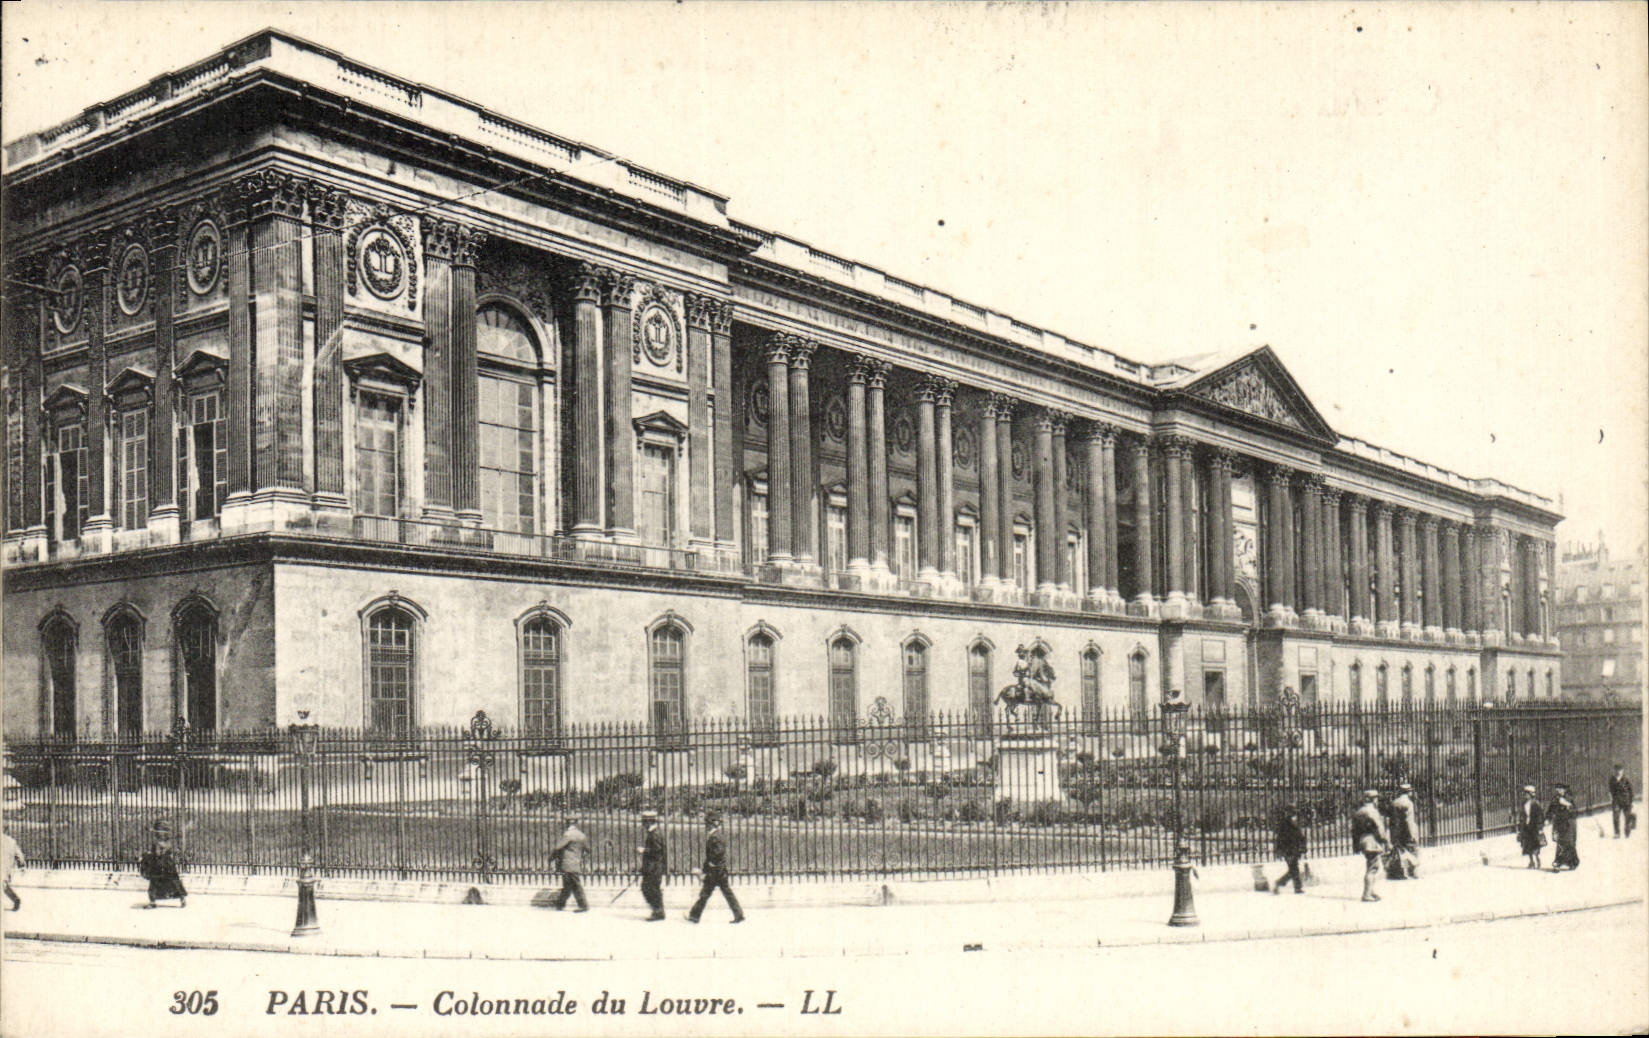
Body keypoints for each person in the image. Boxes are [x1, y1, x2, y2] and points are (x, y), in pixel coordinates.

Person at [686, 811, 743, 924]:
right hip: (719, 871)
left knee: (706, 894)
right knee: (723, 893)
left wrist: (710, 865)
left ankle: (694, 916)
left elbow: (718, 853)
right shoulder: (715, 836)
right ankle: (739, 915)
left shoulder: (715, 837)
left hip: (716, 872)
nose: (706, 826)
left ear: (711, 824)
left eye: (707, 824)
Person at [1350, 789, 1389, 903]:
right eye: (1376, 798)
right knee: (1373, 868)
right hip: (1371, 841)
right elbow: (1379, 828)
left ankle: (1370, 891)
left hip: (1362, 840)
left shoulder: (1359, 812)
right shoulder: (1372, 811)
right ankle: (1367, 894)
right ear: (1374, 799)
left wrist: (1356, 845)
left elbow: (1354, 830)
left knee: (1371, 866)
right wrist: (1386, 841)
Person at [549, 815, 590, 912]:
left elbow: (557, 848)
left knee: (575, 885)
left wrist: (551, 858)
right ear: (576, 823)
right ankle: (560, 904)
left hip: (567, 864)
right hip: (576, 863)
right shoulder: (582, 835)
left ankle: (583, 906)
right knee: (568, 885)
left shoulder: (568, 835)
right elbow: (587, 850)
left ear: (567, 823)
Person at [138, 836, 188, 908]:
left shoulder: (165, 851)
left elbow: (171, 864)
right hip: (158, 872)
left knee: (175, 885)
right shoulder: (155, 851)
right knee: (153, 886)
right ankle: (152, 902)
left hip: (166, 871)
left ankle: (182, 899)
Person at [1271, 802, 1308, 895]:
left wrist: (1303, 846)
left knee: (1293, 869)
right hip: (1288, 850)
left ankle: (1287, 885)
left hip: (1294, 849)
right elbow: (1280, 838)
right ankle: (1285, 884)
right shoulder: (1284, 824)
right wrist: (1279, 850)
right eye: (1292, 811)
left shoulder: (1294, 823)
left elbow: (1300, 836)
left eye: (1294, 811)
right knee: (1294, 869)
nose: (1294, 813)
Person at [637, 810, 667, 921]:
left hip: (654, 867)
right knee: (653, 889)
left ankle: (658, 911)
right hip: (654, 867)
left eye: (644, 822)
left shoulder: (655, 834)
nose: (643, 825)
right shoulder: (655, 832)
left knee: (648, 888)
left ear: (649, 822)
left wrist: (643, 850)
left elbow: (657, 850)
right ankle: (658, 911)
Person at [1389, 781, 1421, 879]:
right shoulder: (1408, 803)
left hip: (1396, 831)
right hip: (1406, 831)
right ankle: (1414, 872)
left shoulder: (1394, 802)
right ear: (1408, 792)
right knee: (1413, 850)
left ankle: (1403, 872)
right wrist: (1412, 834)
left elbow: (1391, 819)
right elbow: (1408, 820)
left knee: (1400, 851)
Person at [1548, 783, 1579, 872]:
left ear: (1564, 790)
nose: (1558, 791)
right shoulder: (1555, 799)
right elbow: (1550, 810)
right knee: (1560, 842)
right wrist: (1547, 818)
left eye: (1560, 789)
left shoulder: (1570, 798)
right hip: (1559, 823)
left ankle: (1572, 862)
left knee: (1569, 843)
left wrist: (1567, 805)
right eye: (1557, 789)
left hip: (1569, 823)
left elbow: (1575, 812)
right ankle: (1558, 862)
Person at [1515, 785, 1546, 869]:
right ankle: (1531, 861)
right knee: (1527, 845)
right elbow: (1521, 815)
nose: (1526, 795)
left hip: (1534, 827)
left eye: (1527, 794)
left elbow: (1540, 816)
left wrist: (1540, 827)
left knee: (1535, 844)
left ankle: (1537, 859)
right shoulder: (1524, 803)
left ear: (1531, 794)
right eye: (1525, 794)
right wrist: (1519, 827)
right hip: (1526, 827)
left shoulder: (1536, 803)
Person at [1608, 764, 1636, 838]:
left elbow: (1631, 791)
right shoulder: (1612, 780)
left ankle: (1627, 831)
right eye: (1616, 770)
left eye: (1620, 770)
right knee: (1616, 817)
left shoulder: (1625, 780)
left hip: (1626, 801)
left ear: (1622, 771)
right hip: (1616, 801)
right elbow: (1611, 790)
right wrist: (1612, 797)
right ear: (1614, 770)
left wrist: (1631, 801)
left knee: (1627, 817)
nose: (1618, 772)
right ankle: (1617, 833)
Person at [2, 829, 24, 911]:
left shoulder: (9, 841)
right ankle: (16, 899)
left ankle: (15, 899)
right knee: (4, 885)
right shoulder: (11, 841)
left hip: (3, 867)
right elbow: (19, 854)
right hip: (7, 868)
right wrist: (21, 865)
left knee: (3, 886)